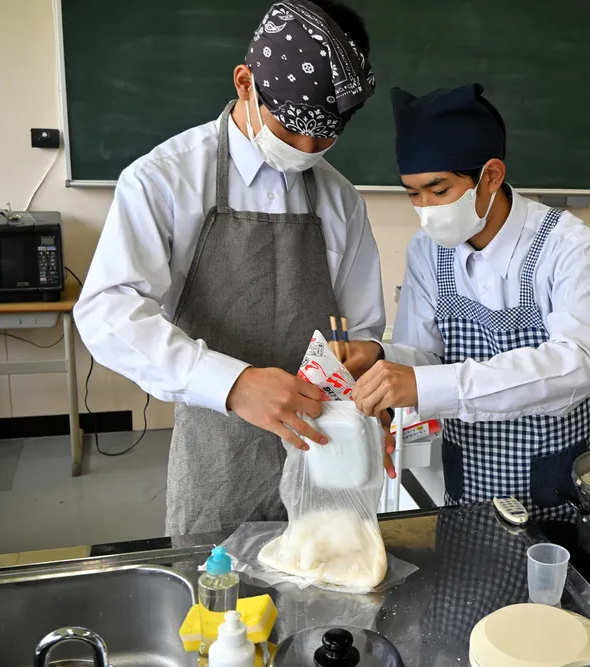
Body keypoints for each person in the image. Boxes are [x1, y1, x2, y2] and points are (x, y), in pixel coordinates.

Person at [75, 1, 390, 537]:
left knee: (327, 601)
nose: (308, 150)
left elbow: (360, 327)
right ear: (246, 83)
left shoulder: (341, 201)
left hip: (324, 455)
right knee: (220, 607)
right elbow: (108, 310)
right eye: (292, 131)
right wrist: (233, 382)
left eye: (325, 137)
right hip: (217, 458)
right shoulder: (164, 180)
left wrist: (367, 358)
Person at [346, 84, 590, 518]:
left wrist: (426, 385)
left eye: (439, 190)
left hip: (553, 484)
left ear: (490, 176)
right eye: (412, 194)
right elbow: (425, 354)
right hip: (469, 478)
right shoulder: (428, 249)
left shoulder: (568, 246)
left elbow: (577, 363)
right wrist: (380, 358)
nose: (425, 208)